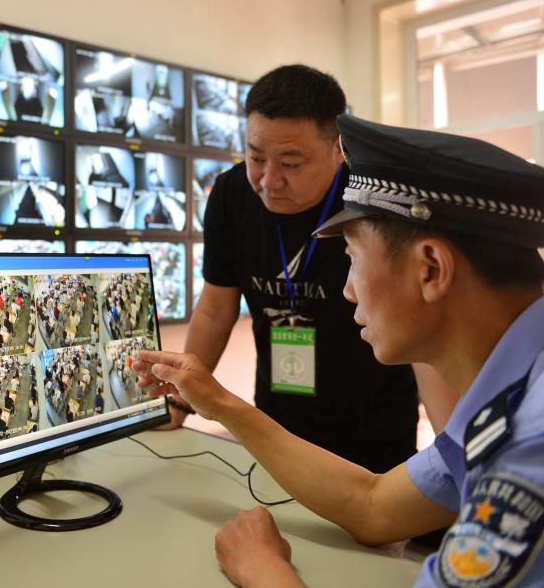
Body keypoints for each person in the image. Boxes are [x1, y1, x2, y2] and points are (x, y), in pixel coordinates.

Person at [137, 114, 544, 588]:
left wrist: (261, 569)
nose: (348, 290)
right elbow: (373, 506)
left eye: (352, 258)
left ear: (430, 269)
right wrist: (219, 403)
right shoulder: (528, 380)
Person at [165, 64, 458, 474]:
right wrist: (180, 399)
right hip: (276, 424)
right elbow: (215, 309)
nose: (269, 180)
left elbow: (424, 333)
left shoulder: (376, 200)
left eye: (291, 162)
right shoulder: (231, 195)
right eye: (255, 157)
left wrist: (455, 451)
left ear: (339, 149)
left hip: (372, 429)